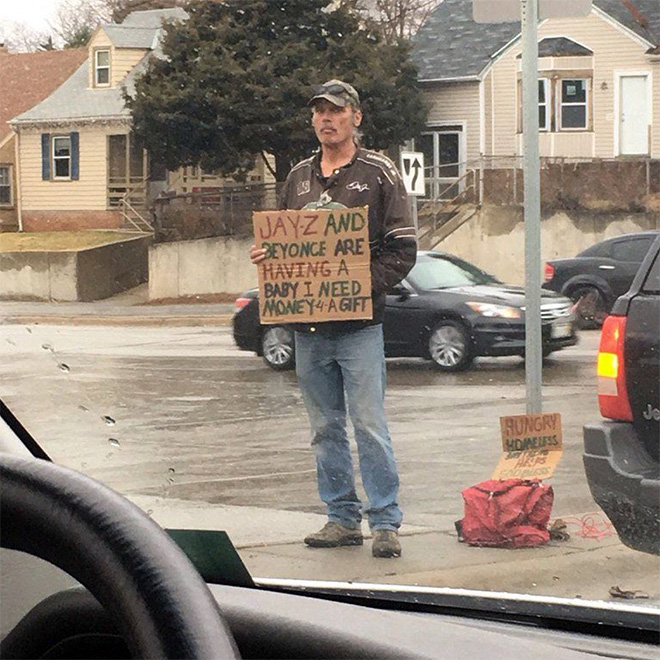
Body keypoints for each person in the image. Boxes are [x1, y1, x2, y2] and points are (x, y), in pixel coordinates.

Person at [251, 80, 416, 558]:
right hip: (308, 331)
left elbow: (403, 251)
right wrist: (268, 256)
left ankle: (385, 521)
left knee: (369, 425)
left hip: (360, 327)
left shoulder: (379, 172)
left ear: (355, 118)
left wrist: (350, 287)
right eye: (319, 111)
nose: (327, 118)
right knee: (324, 428)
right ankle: (340, 518)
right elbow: (286, 247)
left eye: (337, 111)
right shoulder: (298, 178)